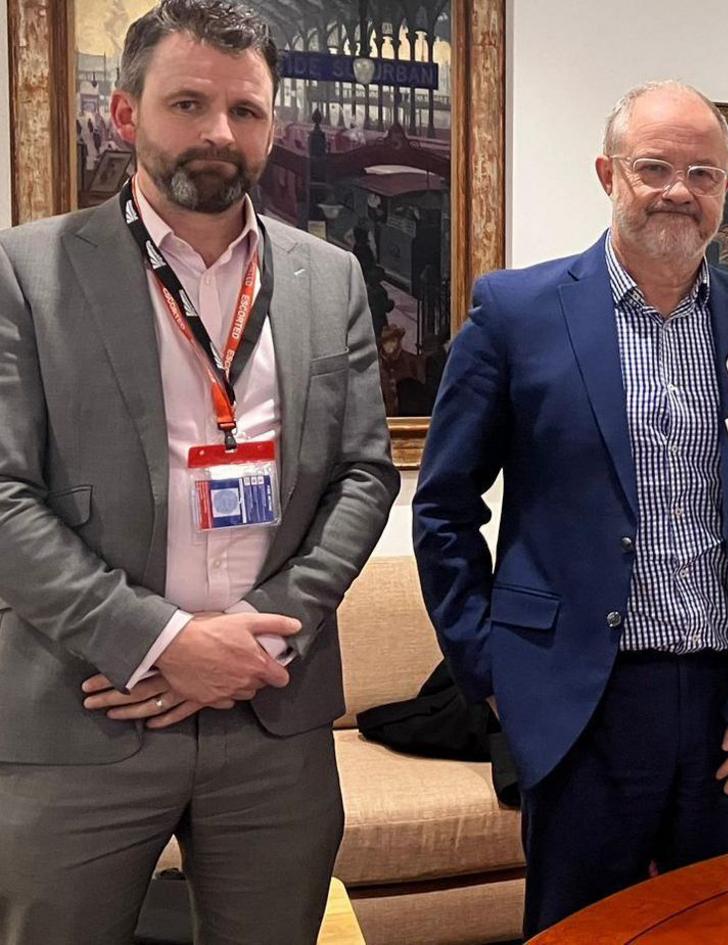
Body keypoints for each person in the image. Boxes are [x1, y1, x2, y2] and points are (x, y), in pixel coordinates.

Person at [0, 2, 399, 942]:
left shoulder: (328, 277)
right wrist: (166, 639)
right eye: (189, 102)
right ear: (127, 115)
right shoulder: (27, 271)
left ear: (274, 125)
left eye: (247, 110)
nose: (220, 133)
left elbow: (364, 474)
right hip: (84, 708)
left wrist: (255, 644)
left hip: (274, 717)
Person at [413, 80, 728, 934]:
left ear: (726, 188)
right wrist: (495, 675)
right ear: (609, 173)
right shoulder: (516, 313)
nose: (679, 190)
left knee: (724, 930)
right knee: (582, 931)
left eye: (703, 173)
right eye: (655, 167)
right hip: (580, 703)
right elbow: (445, 507)